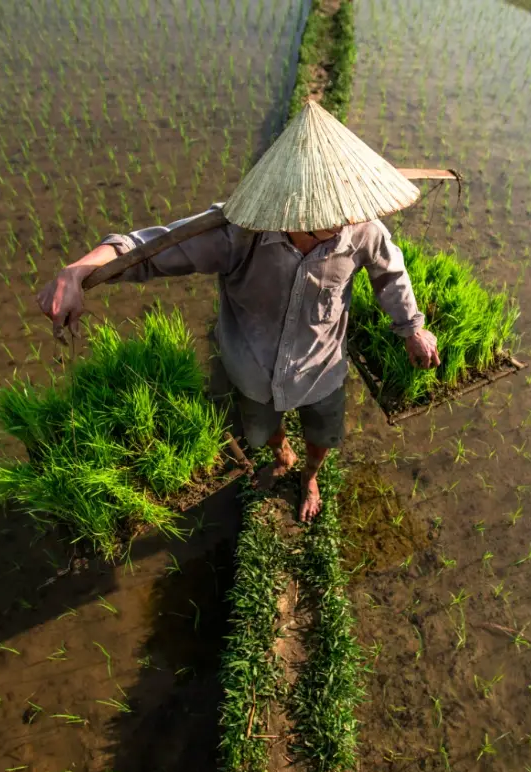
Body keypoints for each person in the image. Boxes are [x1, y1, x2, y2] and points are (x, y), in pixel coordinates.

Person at [37, 101, 439, 522]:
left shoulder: (362, 229)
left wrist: (413, 329)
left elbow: (391, 275)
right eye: (330, 214)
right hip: (252, 369)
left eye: (347, 208)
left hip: (322, 368)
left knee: (323, 432)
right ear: (294, 207)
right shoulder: (236, 234)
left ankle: (310, 476)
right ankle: (282, 454)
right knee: (262, 428)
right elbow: (148, 248)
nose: (345, 219)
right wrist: (77, 272)